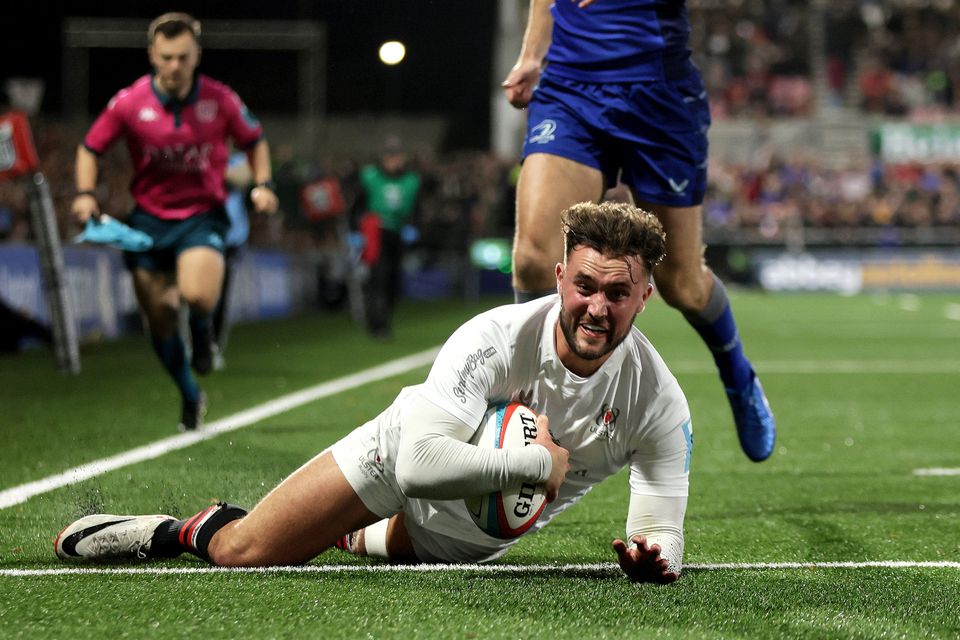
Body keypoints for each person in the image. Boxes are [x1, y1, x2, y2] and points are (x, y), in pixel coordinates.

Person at [55, 201, 692, 584]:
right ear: (559, 277)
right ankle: (179, 530)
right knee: (244, 554)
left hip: (475, 538)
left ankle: (348, 530)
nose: (596, 307)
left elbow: (661, 525)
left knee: (359, 541)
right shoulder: (495, 336)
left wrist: (654, 556)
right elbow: (417, 465)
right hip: (398, 459)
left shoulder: (657, 401)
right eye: (585, 286)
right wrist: (537, 462)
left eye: (617, 293)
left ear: (645, 296)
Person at [501, 0, 776, 462]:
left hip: (658, 95)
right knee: (532, 257)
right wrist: (532, 53)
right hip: (570, 86)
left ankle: (738, 375)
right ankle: (529, 411)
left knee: (682, 285)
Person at [70, 12, 278, 431]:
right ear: (152, 54)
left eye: (182, 57)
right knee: (160, 318)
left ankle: (203, 333)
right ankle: (189, 393)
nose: (174, 66)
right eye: (166, 57)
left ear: (196, 54)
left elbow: (255, 141)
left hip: (202, 217)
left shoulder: (220, 99)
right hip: (147, 223)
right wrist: (85, 194)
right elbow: (90, 148)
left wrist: (263, 183)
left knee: (198, 295)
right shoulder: (129, 102)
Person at [356, 136, 421, 340]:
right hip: (376, 232)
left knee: (394, 280)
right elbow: (357, 206)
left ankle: (383, 318)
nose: (393, 161)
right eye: (389, 156)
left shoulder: (411, 181)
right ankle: (377, 323)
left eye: (397, 156)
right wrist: (355, 232)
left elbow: (417, 210)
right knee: (379, 277)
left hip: (398, 233)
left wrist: (414, 228)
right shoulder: (370, 177)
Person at [208, 151, 253, 371]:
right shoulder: (198, 153)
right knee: (195, 293)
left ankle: (213, 346)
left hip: (228, 239)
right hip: (200, 231)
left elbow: (243, 177)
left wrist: (207, 167)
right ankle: (194, 344)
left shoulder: (238, 159)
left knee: (219, 296)